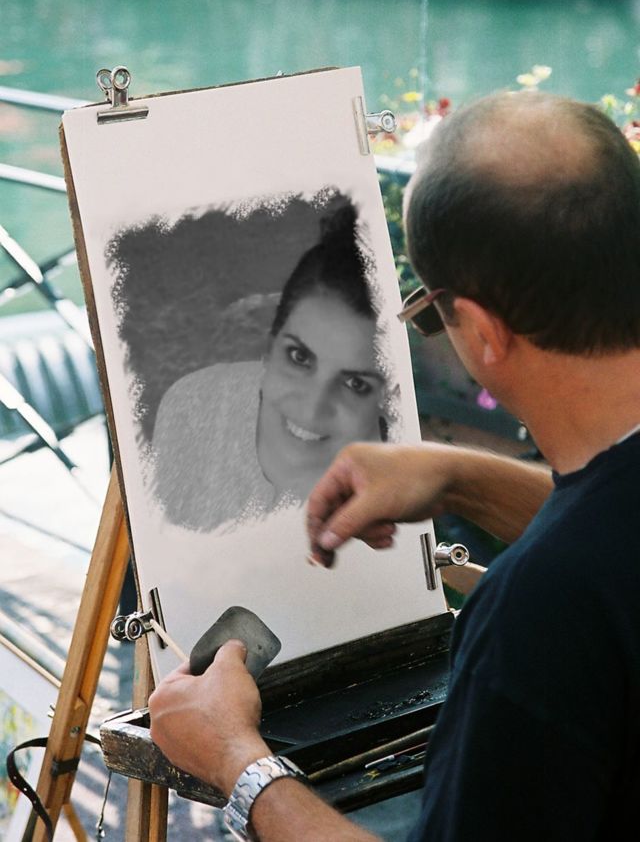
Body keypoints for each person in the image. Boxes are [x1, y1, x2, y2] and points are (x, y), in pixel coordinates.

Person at [148, 89, 640, 841]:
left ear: (480, 331)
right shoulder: (582, 570)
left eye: (429, 313)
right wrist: (459, 476)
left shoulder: (533, 618)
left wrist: (238, 763)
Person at [151, 200, 394, 532]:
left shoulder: (389, 495)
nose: (311, 409)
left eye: (356, 384)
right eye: (299, 357)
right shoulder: (192, 409)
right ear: (269, 348)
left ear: (385, 400)